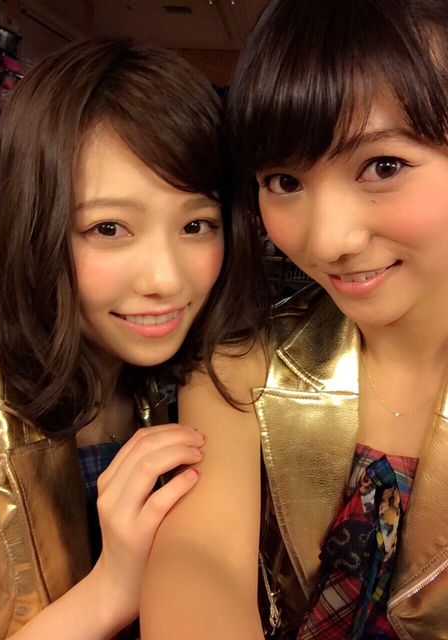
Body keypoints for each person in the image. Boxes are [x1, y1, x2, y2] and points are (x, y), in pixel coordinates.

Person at [140, 1, 448, 638]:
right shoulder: (242, 364)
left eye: (383, 166)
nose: (327, 240)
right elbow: (200, 559)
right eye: (283, 181)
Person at [0, 37, 264, 640]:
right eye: (109, 228)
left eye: (196, 224)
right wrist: (112, 587)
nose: (165, 279)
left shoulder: (193, 381)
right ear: (32, 225)